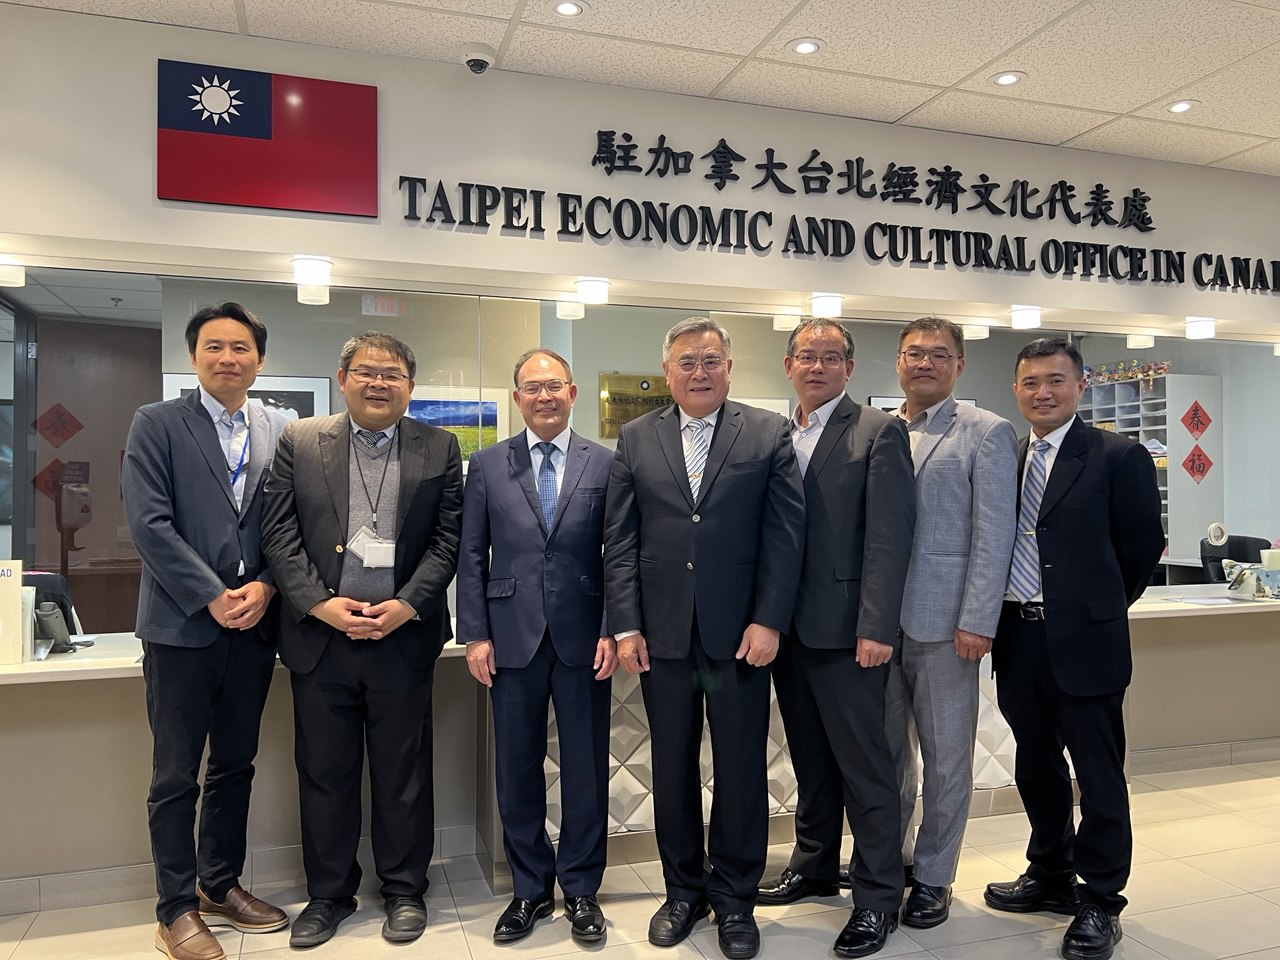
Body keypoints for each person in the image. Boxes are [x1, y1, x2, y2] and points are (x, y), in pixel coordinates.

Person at [603, 317, 804, 960]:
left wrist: (770, 618)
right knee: (673, 765)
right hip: (665, 639)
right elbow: (622, 541)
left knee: (742, 766)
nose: (698, 371)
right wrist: (627, 623)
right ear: (668, 371)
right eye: (686, 361)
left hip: (739, 638)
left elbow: (785, 536)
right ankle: (683, 891)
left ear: (729, 366)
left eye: (710, 359)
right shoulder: (636, 437)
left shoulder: (769, 432)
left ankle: (735, 897)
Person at [261, 331, 462, 948]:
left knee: (404, 772)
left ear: (410, 385)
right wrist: (321, 605)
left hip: (402, 638)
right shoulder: (300, 441)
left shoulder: (440, 446)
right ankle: (328, 895)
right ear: (343, 377)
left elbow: (447, 540)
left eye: (393, 374)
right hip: (322, 640)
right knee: (325, 773)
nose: (379, 383)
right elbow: (278, 534)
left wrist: (406, 604)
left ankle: (405, 891)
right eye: (367, 372)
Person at [984, 338, 1163, 960]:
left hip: (1086, 642)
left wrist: (1091, 610)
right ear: (1016, 389)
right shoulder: (1005, 457)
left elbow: (1139, 552)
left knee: (1099, 774)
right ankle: (1050, 871)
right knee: (1035, 766)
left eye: (1056, 380)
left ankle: (1101, 899)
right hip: (1018, 637)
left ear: (1080, 385)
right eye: (1031, 381)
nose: (1043, 392)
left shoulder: (1118, 455)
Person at [123, 302, 290, 960]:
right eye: (215, 347)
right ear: (193, 357)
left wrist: (269, 583)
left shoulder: (277, 427)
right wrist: (211, 595)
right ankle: (175, 907)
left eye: (241, 348)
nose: (229, 358)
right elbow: (149, 525)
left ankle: (220, 883)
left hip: (253, 628)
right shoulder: (157, 424)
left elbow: (291, 521)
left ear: (259, 359)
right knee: (174, 776)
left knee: (234, 767)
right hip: (181, 629)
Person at [756, 318, 915, 959]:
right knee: (810, 760)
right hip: (786, 632)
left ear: (849, 367)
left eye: (830, 357)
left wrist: (877, 626)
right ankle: (814, 864)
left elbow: (888, 536)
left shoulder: (879, 432)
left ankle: (878, 898)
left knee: (866, 768)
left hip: (850, 633)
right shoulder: (774, 434)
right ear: (788, 365)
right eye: (806, 357)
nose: (817, 367)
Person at [457, 348, 617, 946]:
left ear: (572, 393)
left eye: (555, 386)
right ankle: (529, 889)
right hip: (510, 636)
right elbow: (472, 555)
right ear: (517, 397)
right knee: (516, 768)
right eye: (532, 387)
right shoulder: (488, 465)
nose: (544, 396)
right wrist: (475, 632)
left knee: (585, 770)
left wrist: (611, 626)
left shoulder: (605, 462)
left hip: (583, 637)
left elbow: (617, 556)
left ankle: (580, 888)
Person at [883, 317, 1017, 929]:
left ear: (959, 365)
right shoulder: (881, 430)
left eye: (939, 354)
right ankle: (895, 863)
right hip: (880, 628)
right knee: (888, 758)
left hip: (947, 626)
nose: (925, 363)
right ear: (898, 362)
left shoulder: (986, 434)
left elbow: (995, 538)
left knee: (944, 761)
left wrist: (978, 620)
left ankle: (935, 877)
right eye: (914, 353)